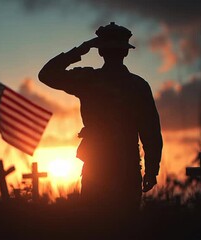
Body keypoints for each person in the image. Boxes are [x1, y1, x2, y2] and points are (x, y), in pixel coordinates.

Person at [38, 22, 163, 235]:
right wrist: (151, 169)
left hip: (99, 166)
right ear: (125, 51)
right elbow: (150, 132)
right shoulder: (137, 85)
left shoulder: (88, 79)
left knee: (96, 228)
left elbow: (47, 74)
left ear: (100, 51)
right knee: (124, 229)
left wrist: (81, 49)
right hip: (125, 167)